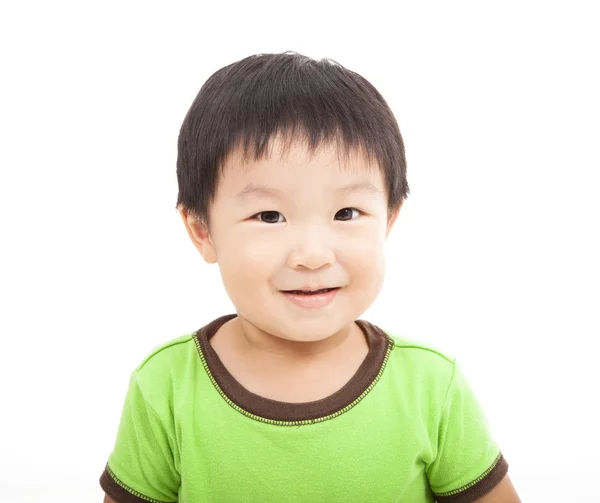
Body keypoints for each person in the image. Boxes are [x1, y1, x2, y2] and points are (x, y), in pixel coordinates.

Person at [99, 51, 521, 503]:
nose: (313, 255)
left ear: (389, 220)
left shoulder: (431, 385)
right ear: (202, 230)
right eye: (269, 215)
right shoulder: (165, 386)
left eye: (346, 212)